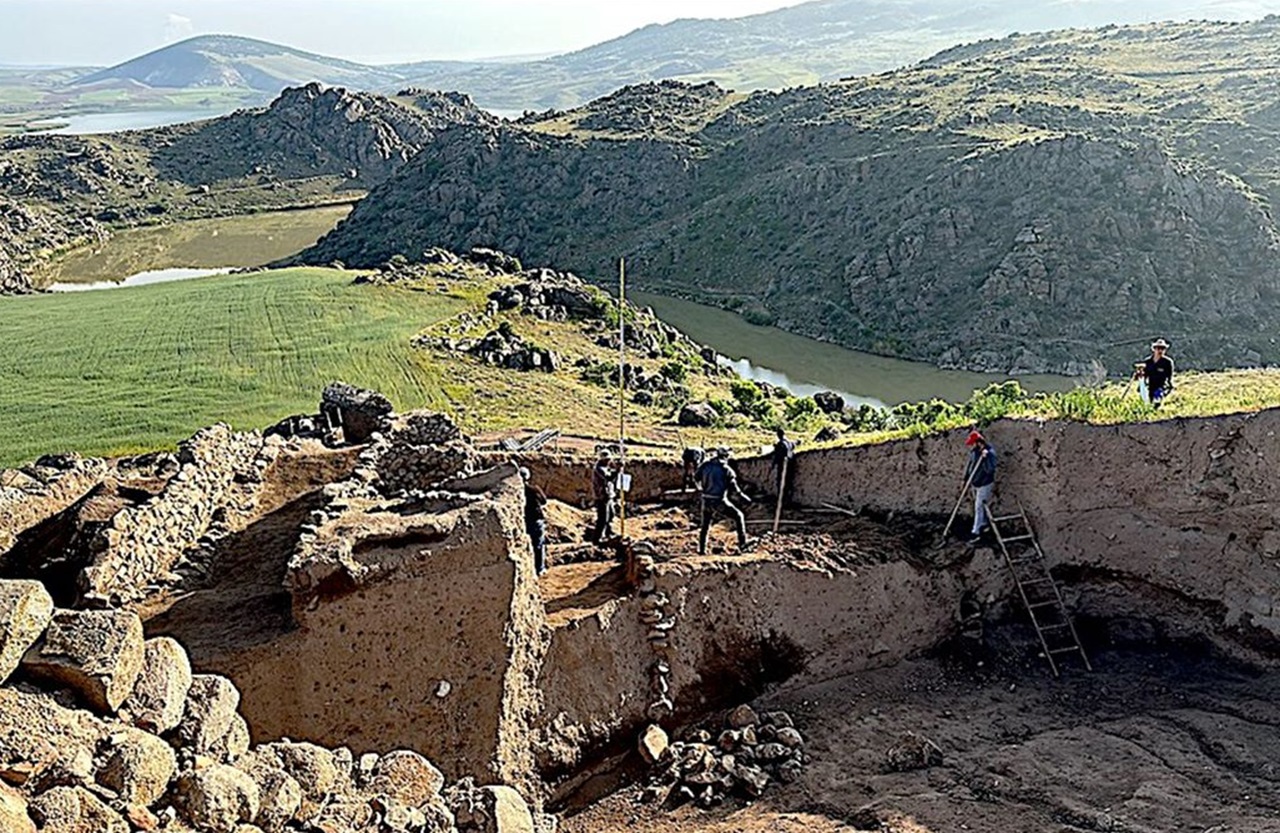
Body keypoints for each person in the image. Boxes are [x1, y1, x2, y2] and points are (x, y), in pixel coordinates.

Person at [695, 447, 752, 555]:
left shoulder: (705, 465)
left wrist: (702, 488)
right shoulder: (726, 469)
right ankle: (743, 544)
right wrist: (745, 498)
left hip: (706, 499)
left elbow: (696, 477)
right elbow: (735, 489)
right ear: (726, 456)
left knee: (705, 526)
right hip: (719, 500)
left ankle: (702, 550)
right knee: (739, 516)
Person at [964, 430, 996, 544]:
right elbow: (970, 466)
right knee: (979, 506)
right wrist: (966, 478)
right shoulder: (974, 452)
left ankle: (975, 532)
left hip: (985, 483)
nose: (971, 445)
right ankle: (985, 525)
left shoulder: (990, 453)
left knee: (979, 506)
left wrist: (985, 459)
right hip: (975, 483)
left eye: (973, 443)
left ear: (978, 442)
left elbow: (990, 470)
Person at [519, 467, 548, 575]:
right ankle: (539, 568)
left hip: (524, 520)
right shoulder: (534, 489)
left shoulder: (517, 492)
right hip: (536, 519)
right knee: (539, 545)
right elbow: (544, 501)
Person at [1134, 338, 1174, 407]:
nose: (1160, 350)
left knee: (1157, 402)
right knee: (1148, 403)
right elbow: (1144, 375)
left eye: (1162, 348)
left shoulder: (1167, 362)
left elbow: (1169, 376)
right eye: (1158, 348)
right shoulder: (1148, 362)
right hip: (1150, 387)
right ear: (1154, 349)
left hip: (1161, 387)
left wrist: (1169, 386)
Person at [591, 449, 617, 544]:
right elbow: (608, 477)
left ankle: (608, 533)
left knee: (611, 514)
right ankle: (597, 538)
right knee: (603, 518)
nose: (609, 461)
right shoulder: (599, 469)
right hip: (602, 497)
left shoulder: (606, 467)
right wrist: (617, 471)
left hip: (608, 495)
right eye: (607, 459)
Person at [770, 427, 796, 504]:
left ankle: (782, 500)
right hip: (790, 466)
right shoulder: (790, 443)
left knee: (781, 483)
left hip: (783, 466)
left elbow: (777, 455)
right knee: (788, 483)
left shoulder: (780, 444)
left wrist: (773, 464)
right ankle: (788, 500)